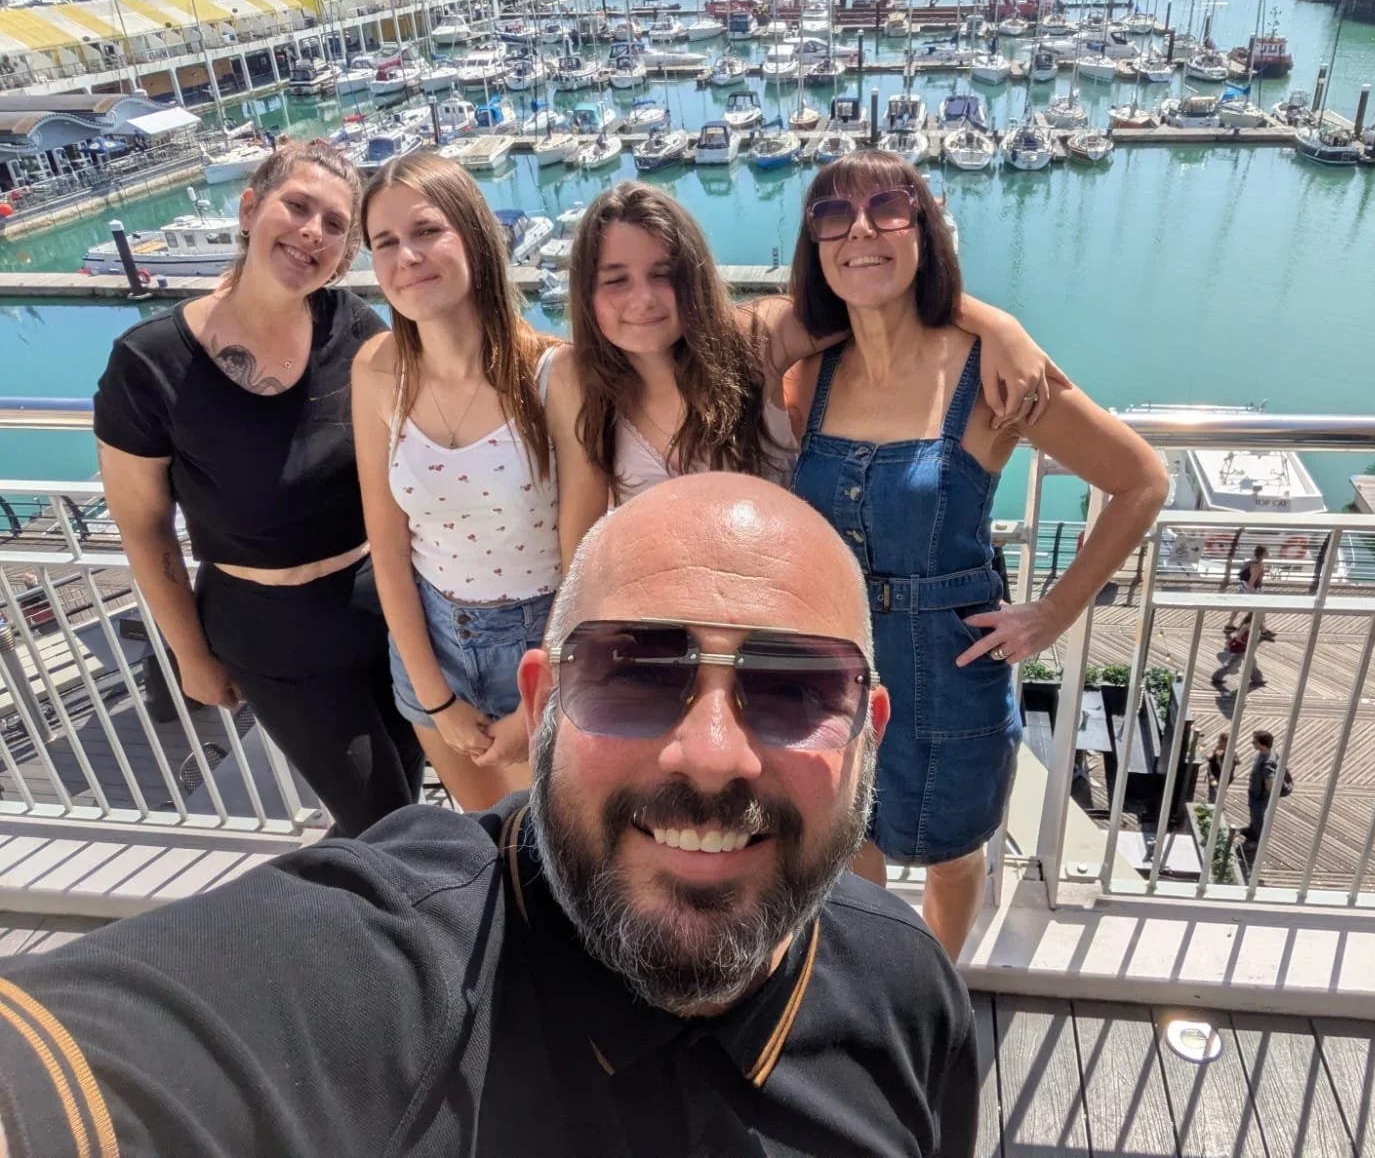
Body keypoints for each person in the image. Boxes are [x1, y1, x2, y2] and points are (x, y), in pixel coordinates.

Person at [0, 474, 978, 1158]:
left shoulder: (907, 991)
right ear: (541, 705)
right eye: (635, 671)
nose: (712, 752)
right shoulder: (389, 974)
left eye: (794, 687)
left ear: (866, 731)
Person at [786, 150, 1170, 958]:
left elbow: (1141, 480)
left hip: (949, 665)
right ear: (814, 244)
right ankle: (874, 997)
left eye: (888, 209)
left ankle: (938, 992)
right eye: (834, 216)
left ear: (923, 230)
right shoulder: (806, 376)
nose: (861, 230)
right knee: (852, 845)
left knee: (953, 852)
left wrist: (1055, 612)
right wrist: (993, 313)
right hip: (836, 660)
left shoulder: (989, 374)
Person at [92, 139, 423, 837]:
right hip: (270, 634)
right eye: (297, 207)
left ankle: (358, 914)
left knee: (405, 789)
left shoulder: (352, 327)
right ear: (249, 209)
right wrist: (189, 655)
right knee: (384, 816)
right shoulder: (148, 364)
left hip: (382, 608)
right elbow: (144, 526)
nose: (313, 232)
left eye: (335, 225)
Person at [353, 153, 607, 810]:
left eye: (427, 230)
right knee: (484, 841)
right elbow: (387, 546)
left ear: (473, 234)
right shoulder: (377, 370)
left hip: (539, 639)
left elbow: (583, 558)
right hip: (428, 642)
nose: (407, 255)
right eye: (385, 242)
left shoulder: (558, 375)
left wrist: (543, 688)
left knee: (553, 846)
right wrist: (434, 694)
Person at [558, 180, 1056, 505]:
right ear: (587, 293)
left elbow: (860, 295)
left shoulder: (752, 342)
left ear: (694, 276)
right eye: (615, 280)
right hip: (670, 639)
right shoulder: (587, 387)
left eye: (663, 273)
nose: (642, 298)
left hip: (780, 627)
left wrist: (995, 324)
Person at [1243, 729, 1290, 853]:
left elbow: (1270, 784)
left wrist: (1263, 793)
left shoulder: (1267, 764)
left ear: (1262, 745)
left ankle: (1257, 841)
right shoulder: (1269, 752)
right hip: (1256, 790)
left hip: (1259, 795)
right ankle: (1251, 830)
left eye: (1255, 742)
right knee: (1254, 814)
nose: (1252, 743)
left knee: (1258, 816)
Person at [1225, 545, 1269, 632]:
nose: (1268, 554)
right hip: (1252, 588)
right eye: (1267, 552)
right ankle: (1263, 630)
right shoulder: (1257, 565)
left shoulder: (1252, 562)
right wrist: (1250, 592)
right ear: (1263, 554)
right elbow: (1252, 579)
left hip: (1244, 587)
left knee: (1238, 606)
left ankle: (1229, 624)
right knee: (1260, 608)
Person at [1206, 730, 1229, 802]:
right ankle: (1213, 800)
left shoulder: (1224, 751)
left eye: (1220, 741)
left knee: (1215, 788)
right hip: (1213, 772)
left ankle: (1213, 802)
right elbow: (1212, 758)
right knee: (1213, 787)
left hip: (1217, 774)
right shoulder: (1220, 748)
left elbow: (1221, 765)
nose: (1219, 743)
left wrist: (1218, 760)